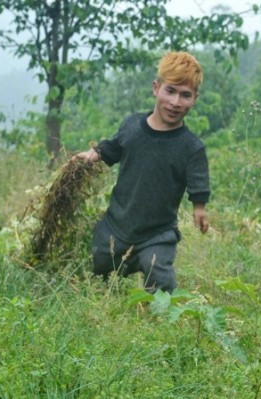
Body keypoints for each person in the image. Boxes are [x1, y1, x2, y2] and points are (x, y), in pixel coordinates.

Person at [74, 51, 210, 294]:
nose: (176, 102)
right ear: (156, 88)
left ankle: (161, 317)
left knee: (159, 273)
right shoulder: (133, 126)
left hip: (158, 233)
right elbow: (113, 148)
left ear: (195, 98)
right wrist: (94, 154)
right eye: (170, 91)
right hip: (117, 224)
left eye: (185, 95)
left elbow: (198, 180)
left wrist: (199, 208)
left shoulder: (191, 147)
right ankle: (104, 298)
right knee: (95, 266)